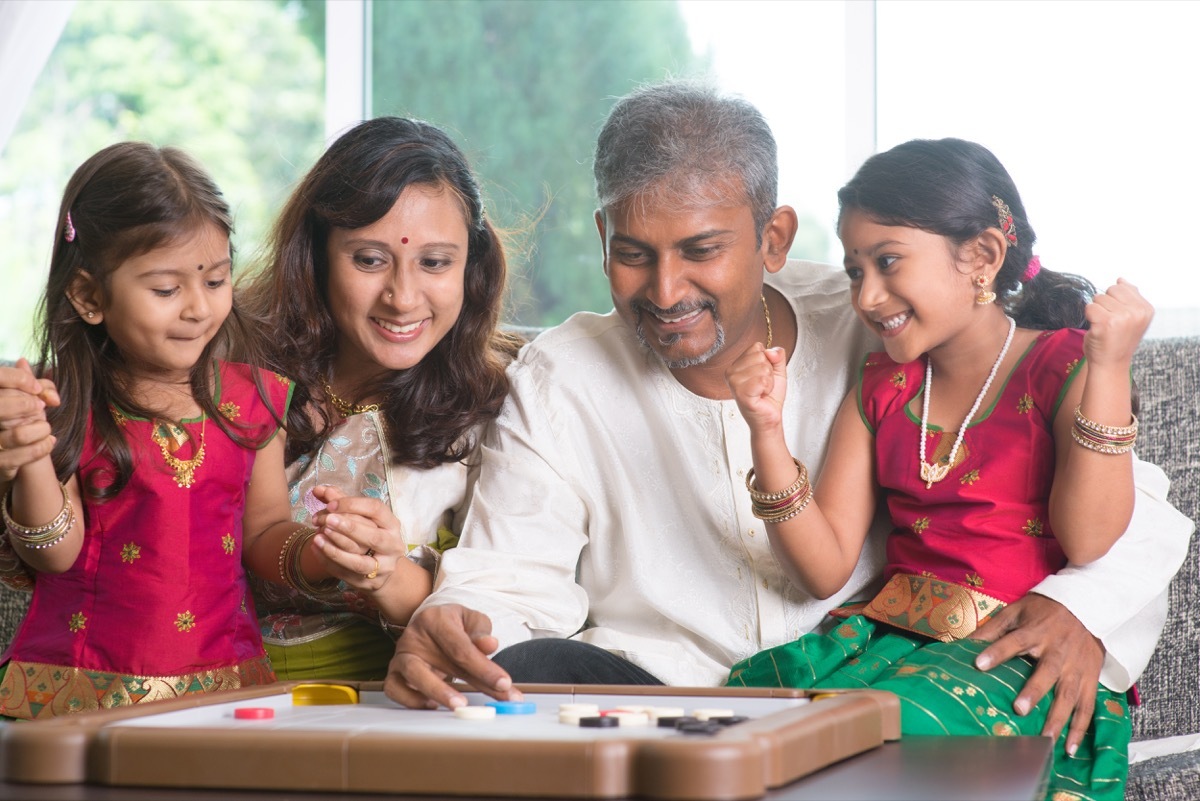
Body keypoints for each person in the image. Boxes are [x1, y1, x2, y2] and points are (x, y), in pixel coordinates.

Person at [383, 81, 1192, 763]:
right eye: (634, 252)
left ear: (773, 237)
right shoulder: (560, 375)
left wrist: (1085, 611)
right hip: (660, 703)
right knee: (521, 674)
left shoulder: (883, 320)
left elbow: (1132, 505)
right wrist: (453, 626)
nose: (666, 291)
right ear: (601, 239)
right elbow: (509, 575)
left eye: (701, 249)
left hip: (880, 681)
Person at [723, 138, 1148, 800]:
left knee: (865, 747)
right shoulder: (883, 384)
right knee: (740, 726)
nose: (867, 296)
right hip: (888, 645)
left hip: (1004, 659)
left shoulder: (1062, 365)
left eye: (888, 262)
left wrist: (1111, 366)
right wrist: (767, 433)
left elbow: (1092, 538)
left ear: (980, 256)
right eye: (854, 271)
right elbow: (824, 564)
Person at [0, 142, 362, 719]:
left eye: (216, 281)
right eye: (166, 290)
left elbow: (264, 530)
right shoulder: (58, 400)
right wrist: (30, 457)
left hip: (226, 688)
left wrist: (321, 552)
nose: (198, 308)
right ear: (90, 296)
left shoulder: (255, 398)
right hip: (78, 693)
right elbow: (55, 554)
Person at [238, 116, 520, 680]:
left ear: (473, 265)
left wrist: (386, 573)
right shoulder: (234, 375)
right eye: (369, 260)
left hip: (399, 700)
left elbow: (504, 612)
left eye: (435, 263)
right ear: (314, 255)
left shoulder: (504, 405)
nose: (403, 296)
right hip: (216, 692)